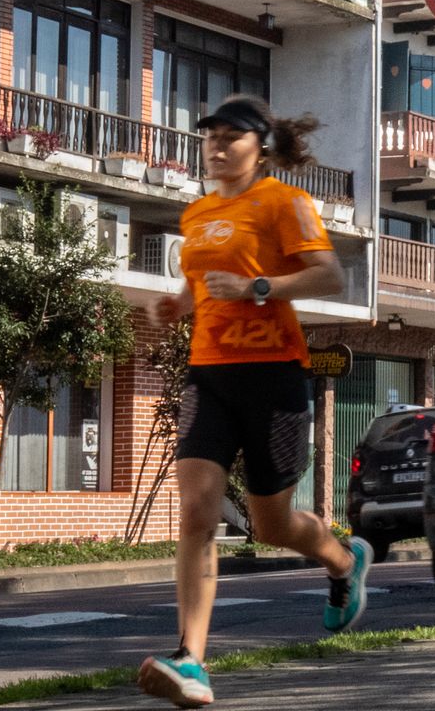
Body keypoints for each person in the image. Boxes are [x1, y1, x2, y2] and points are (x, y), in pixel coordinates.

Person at [137, 96, 372, 708]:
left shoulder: (284, 204)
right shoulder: (197, 213)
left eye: (230, 137)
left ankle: (344, 561)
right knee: (197, 512)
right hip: (209, 375)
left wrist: (258, 287)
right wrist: (178, 306)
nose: (216, 147)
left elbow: (329, 276)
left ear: (260, 146)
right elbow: (199, 283)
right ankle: (191, 660)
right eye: (209, 136)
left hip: (273, 377)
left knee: (271, 526)